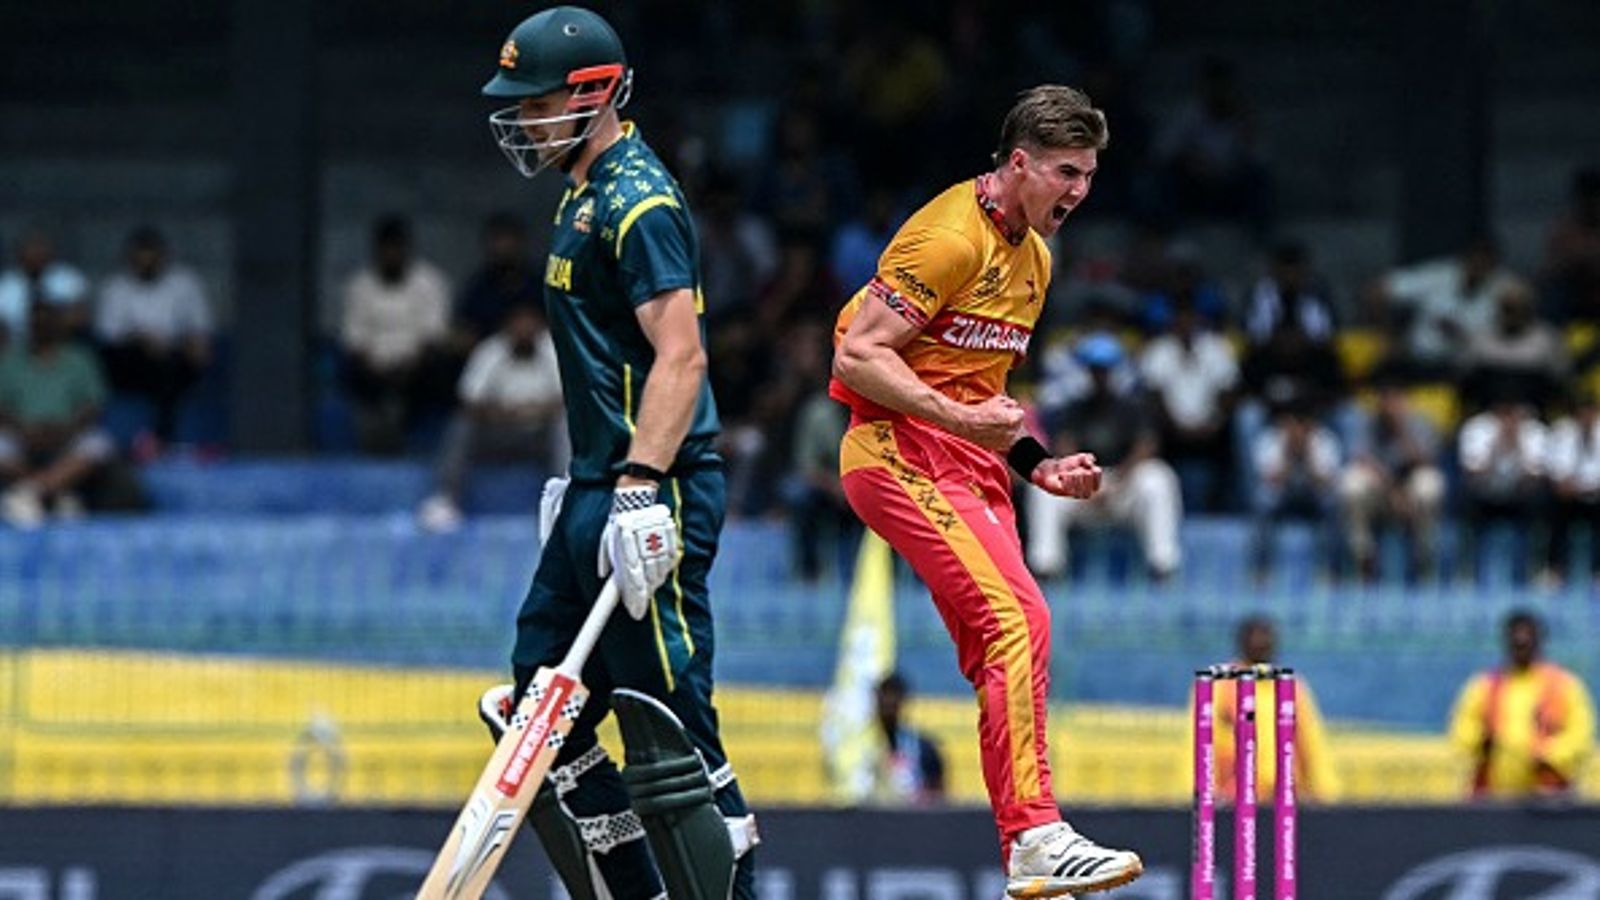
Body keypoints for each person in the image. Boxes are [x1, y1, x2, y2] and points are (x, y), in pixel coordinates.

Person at [831, 84, 1143, 897]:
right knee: (1017, 617)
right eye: (1066, 172)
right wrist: (960, 426)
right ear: (1018, 163)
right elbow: (858, 356)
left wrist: (1037, 463)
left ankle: (1034, 846)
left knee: (1009, 641)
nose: (1079, 191)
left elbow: (984, 389)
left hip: (964, 462)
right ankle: (1035, 832)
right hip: (897, 452)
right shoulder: (946, 236)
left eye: (1089, 175)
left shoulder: (1035, 256)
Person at [474, 8, 756, 899]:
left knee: (668, 721)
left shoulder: (640, 200)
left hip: (655, 491)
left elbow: (683, 355)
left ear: (592, 94)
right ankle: (633, 886)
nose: (520, 119)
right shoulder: (581, 192)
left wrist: (636, 486)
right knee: (537, 709)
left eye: (535, 101)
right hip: (603, 484)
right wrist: (588, 479)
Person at [1028, 333, 1184, 581]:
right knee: (1042, 488)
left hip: (1123, 484)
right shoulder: (1073, 408)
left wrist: (1117, 481)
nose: (1100, 376)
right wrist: (1089, 483)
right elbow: (1065, 447)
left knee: (1158, 477)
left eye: (1106, 370)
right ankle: (1046, 567)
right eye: (1096, 370)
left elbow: (1146, 446)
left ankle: (1162, 565)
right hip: (1083, 485)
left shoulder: (1131, 406)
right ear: (1088, 372)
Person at [418, 303, 566, 532]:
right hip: (498, 432)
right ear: (508, 326)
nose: (524, 330)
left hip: (538, 434)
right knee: (462, 426)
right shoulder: (491, 349)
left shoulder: (553, 348)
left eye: (529, 323)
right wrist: (508, 413)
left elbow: (568, 400)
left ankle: (564, 503)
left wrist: (533, 411)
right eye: (518, 324)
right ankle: (444, 500)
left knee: (564, 425)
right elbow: (469, 401)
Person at [1448, 609, 1595, 798]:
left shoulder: (1565, 686)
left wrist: (1548, 755)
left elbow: (1581, 736)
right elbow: (1462, 734)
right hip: (1494, 796)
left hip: (1549, 798)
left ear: (1539, 642)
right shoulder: (1483, 688)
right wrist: (1481, 742)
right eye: (1516, 641)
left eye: (1527, 640)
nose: (1521, 645)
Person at [1194, 616, 1340, 803]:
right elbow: (1201, 742)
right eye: (1256, 637)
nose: (1262, 643)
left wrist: (1325, 791)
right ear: (1242, 642)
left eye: (1267, 637)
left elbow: (1311, 742)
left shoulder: (1291, 686)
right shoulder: (1219, 685)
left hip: (1283, 796)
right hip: (1233, 797)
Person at [339, 215, 452, 454]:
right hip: (373, 369)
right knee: (348, 372)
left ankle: (423, 446)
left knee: (442, 369)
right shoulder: (360, 285)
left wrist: (408, 367)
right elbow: (355, 341)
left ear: (406, 249)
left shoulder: (428, 281)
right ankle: (376, 439)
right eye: (385, 249)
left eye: (396, 248)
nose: (391, 255)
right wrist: (376, 369)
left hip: (416, 367)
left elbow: (433, 336)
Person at [0, 300, 115, 528]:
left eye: (47, 321)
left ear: (58, 325)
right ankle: (55, 495)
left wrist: (67, 430)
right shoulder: (10, 361)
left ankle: (31, 493)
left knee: (98, 445)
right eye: (36, 321)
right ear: (28, 325)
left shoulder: (80, 359)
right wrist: (22, 429)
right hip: (22, 435)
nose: (42, 326)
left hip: (68, 433)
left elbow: (94, 406)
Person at [94, 226, 213, 445]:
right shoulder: (115, 287)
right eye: (139, 261)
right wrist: (144, 340)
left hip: (173, 359)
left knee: (174, 366)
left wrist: (194, 347)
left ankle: (160, 439)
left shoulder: (185, 283)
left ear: (163, 257)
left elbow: (199, 329)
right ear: (130, 259)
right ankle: (154, 438)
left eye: (151, 259)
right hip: (129, 361)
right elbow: (108, 335)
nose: (145, 265)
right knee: (126, 357)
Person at [868, 672, 946, 805]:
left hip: (911, 819)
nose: (888, 703)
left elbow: (939, 797)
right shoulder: (861, 746)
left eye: (893, 698)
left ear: (903, 701)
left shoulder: (924, 748)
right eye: (884, 697)